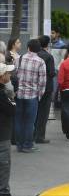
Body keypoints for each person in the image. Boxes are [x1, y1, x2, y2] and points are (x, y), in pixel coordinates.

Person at [15, 39, 46, 153]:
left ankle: (19, 144)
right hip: (32, 96)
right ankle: (27, 145)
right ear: (38, 49)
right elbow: (42, 82)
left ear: (28, 47)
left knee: (19, 120)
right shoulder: (40, 62)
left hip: (19, 94)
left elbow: (15, 76)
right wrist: (39, 96)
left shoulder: (19, 59)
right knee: (29, 121)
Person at [34, 35, 55, 144]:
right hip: (46, 88)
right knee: (44, 113)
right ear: (48, 44)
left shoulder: (35, 55)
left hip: (35, 87)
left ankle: (33, 134)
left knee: (35, 111)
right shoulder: (48, 56)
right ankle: (40, 136)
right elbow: (51, 73)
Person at [0, 63, 16, 196]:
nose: (10, 75)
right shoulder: (2, 94)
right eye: (7, 73)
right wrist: (10, 93)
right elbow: (12, 110)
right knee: (4, 166)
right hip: (2, 136)